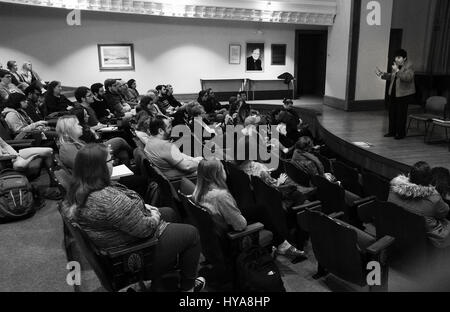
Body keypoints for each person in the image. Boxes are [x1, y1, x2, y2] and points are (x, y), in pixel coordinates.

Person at [63, 143, 206, 292]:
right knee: (191, 233)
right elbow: (144, 229)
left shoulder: (81, 188)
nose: (114, 162)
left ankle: (171, 266)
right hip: (131, 254)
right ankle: (188, 287)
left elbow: (123, 212)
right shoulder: (107, 199)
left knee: (169, 212)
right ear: (99, 167)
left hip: (118, 239)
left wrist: (144, 208)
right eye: (110, 160)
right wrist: (154, 215)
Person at [388, 161, 450, 248]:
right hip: (424, 240)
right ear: (429, 181)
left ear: (409, 176)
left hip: (398, 232)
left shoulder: (392, 190)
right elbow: (445, 212)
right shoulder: (434, 198)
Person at [144, 116, 202, 180]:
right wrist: (202, 163)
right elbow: (187, 167)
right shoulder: (165, 146)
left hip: (171, 175)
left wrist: (195, 160)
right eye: (169, 127)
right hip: (182, 178)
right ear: (160, 131)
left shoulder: (149, 142)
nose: (172, 128)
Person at [376, 49, 416, 140]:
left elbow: (408, 78)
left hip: (404, 94)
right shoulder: (396, 66)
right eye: (396, 57)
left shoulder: (409, 66)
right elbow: (393, 77)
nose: (396, 59)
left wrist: (397, 71)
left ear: (404, 58)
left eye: (399, 57)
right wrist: (383, 74)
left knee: (401, 114)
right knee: (392, 113)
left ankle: (401, 134)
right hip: (394, 93)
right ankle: (392, 132)